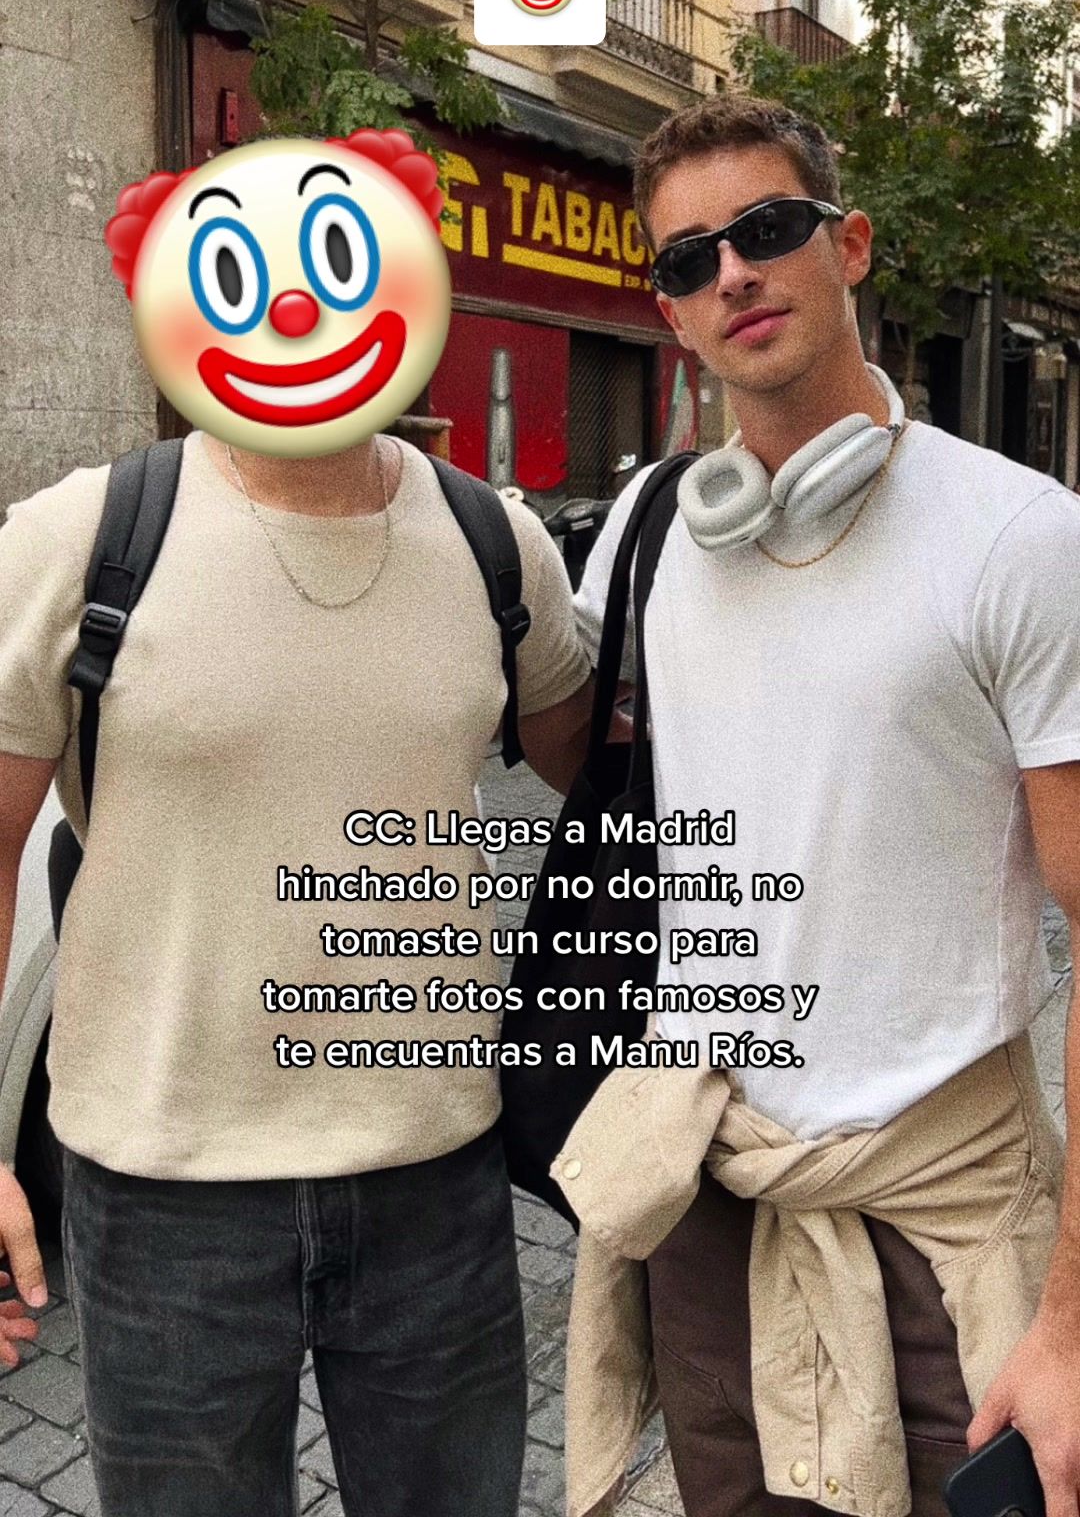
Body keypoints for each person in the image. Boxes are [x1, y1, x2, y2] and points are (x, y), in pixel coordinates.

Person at [0, 129, 599, 1517]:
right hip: (163, 1193)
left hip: (437, 1180)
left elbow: (604, 769)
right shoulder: (79, 541)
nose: (295, 309)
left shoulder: (496, 542)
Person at [568, 95, 1080, 1517]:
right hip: (713, 1193)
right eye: (689, 258)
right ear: (670, 312)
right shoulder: (652, 535)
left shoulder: (1019, 539)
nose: (732, 272)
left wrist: (1070, 1324)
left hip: (942, 1214)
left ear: (847, 246)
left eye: (767, 229)